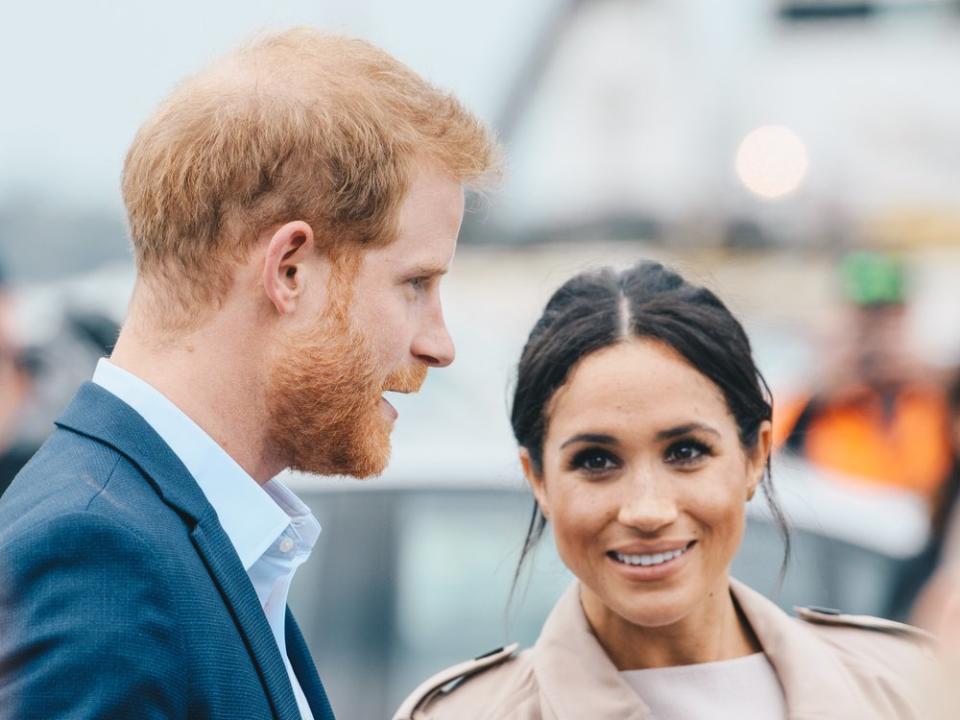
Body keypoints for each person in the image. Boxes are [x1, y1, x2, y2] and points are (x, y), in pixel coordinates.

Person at [0, 28, 497, 720]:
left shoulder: (167, 533)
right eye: (415, 283)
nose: (439, 344)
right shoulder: (100, 562)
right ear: (289, 269)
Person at [396, 262, 936, 720]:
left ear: (755, 455)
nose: (647, 510)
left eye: (686, 452)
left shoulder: (910, 689)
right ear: (537, 478)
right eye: (596, 460)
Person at [774, 251, 951, 501]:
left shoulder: (934, 399)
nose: (876, 337)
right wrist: (819, 396)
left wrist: (937, 380)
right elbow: (770, 471)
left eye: (889, 318)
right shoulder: (804, 401)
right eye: (865, 319)